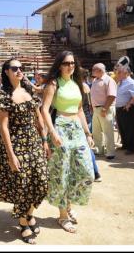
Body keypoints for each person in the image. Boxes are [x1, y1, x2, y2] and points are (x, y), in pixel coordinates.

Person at [0, 59, 49, 244]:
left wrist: (44, 140)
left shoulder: (28, 90)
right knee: (23, 184)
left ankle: (29, 213)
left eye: (21, 68)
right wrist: (11, 155)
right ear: (7, 72)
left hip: (34, 142)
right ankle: (24, 222)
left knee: (42, 182)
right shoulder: (3, 94)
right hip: (16, 144)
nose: (19, 71)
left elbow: (39, 117)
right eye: (14, 68)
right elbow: (3, 128)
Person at [40, 51, 95, 234]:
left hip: (77, 130)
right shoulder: (54, 84)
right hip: (60, 128)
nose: (70, 66)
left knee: (86, 171)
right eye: (66, 63)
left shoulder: (76, 84)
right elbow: (45, 110)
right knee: (61, 173)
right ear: (59, 65)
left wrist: (88, 133)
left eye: (72, 63)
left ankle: (69, 204)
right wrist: (52, 133)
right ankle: (63, 215)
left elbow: (80, 111)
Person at [114, 65, 134, 155]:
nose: (117, 74)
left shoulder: (131, 82)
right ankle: (125, 145)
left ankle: (131, 148)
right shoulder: (121, 82)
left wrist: (129, 104)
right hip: (120, 108)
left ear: (125, 73)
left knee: (129, 128)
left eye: (119, 72)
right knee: (122, 128)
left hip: (127, 109)